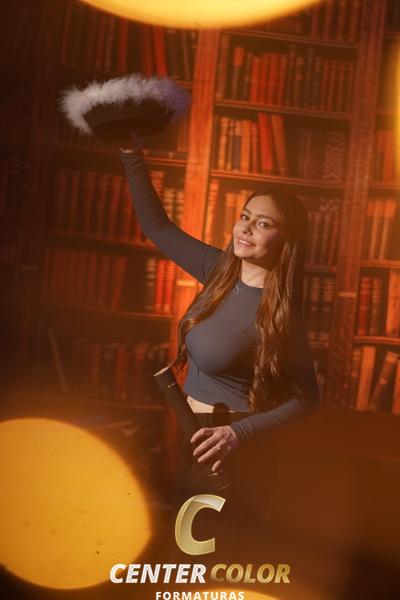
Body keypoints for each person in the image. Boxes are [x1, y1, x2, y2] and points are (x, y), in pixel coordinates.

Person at [119, 131, 320, 564]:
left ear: (286, 240)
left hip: (233, 450)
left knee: (206, 567)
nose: (245, 228)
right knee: (186, 563)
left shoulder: (281, 315)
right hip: (195, 435)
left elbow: (307, 398)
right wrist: (130, 151)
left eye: (263, 223)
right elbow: (157, 227)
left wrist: (236, 434)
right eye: (245, 216)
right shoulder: (218, 270)